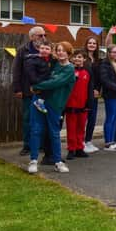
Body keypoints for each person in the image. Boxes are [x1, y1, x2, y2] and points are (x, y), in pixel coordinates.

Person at [27, 42, 76, 174]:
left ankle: (58, 162)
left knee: (54, 133)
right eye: (58, 50)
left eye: (63, 51)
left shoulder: (69, 69)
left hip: (54, 105)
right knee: (36, 130)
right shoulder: (52, 63)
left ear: (69, 53)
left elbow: (55, 83)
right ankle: (33, 160)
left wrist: (36, 87)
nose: (60, 53)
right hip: (38, 101)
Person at [13, 26, 47, 156]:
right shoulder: (23, 50)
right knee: (28, 119)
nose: (43, 38)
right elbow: (16, 70)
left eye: (45, 35)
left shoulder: (48, 48)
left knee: (43, 118)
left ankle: (42, 145)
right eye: (40, 35)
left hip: (45, 92)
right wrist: (17, 88)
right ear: (32, 37)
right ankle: (27, 145)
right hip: (28, 91)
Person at [64, 50, 94, 160]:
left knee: (81, 127)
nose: (77, 59)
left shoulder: (87, 72)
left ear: (84, 59)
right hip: (71, 104)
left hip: (83, 104)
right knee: (71, 128)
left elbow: (90, 88)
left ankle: (79, 148)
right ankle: (71, 149)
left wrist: (89, 103)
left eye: (80, 57)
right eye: (75, 57)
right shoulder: (69, 70)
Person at [25, 40, 53, 114]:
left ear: (51, 51)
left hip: (46, 84)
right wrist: (41, 83)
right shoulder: (32, 61)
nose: (44, 50)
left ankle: (52, 112)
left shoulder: (50, 60)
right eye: (42, 48)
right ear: (38, 49)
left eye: (47, 49)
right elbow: (32, 77)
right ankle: (39, 102)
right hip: (38, 85)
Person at [83, 37, 101, 154]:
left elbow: (99, 77)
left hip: (94, 93)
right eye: (90, 42)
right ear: (86, 44)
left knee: (92, 118)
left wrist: (97, 89)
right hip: (83, 92)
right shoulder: (82, 58)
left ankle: (88, 140)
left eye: (94, 43)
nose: (92, 45)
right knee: (82, 118)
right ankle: (81, 142)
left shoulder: (98, 60)